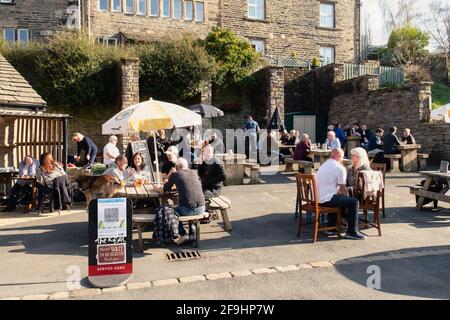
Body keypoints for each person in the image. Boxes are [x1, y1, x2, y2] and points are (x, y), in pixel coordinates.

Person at [315, 148, 365, 240]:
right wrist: (348, 199)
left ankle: (331, 227)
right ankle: (351, 232)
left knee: (338, 198)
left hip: (317, 198)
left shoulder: (324, 165)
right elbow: (343, 188)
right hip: (326, 199)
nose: (343, 159)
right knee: (354, 202)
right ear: (338, 156)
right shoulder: (339, 168)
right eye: (342, 157)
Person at [160, 158, 205, 244]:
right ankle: (192, 232)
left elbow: (166, 188)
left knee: (169, 210)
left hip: (188, 210)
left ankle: (183, 233)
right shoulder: (194, 173)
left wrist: (166, 180)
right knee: (188, 203)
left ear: (176, 167)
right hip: (202, 208)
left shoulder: (175, 174)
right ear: (186, 166)